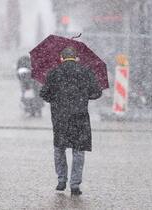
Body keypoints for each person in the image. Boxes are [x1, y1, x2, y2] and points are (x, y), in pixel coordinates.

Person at [40, 47, 102, 195]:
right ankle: (75, 184)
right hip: (80, 116)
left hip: (60, 117)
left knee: (59, 148)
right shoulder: (86, 72)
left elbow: (44, 93)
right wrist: (84, 96)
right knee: (78, 150)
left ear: (62, 58)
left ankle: (61, 180)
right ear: (76, 58)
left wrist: (55, 100)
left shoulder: (54, 73)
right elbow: (97, 92)